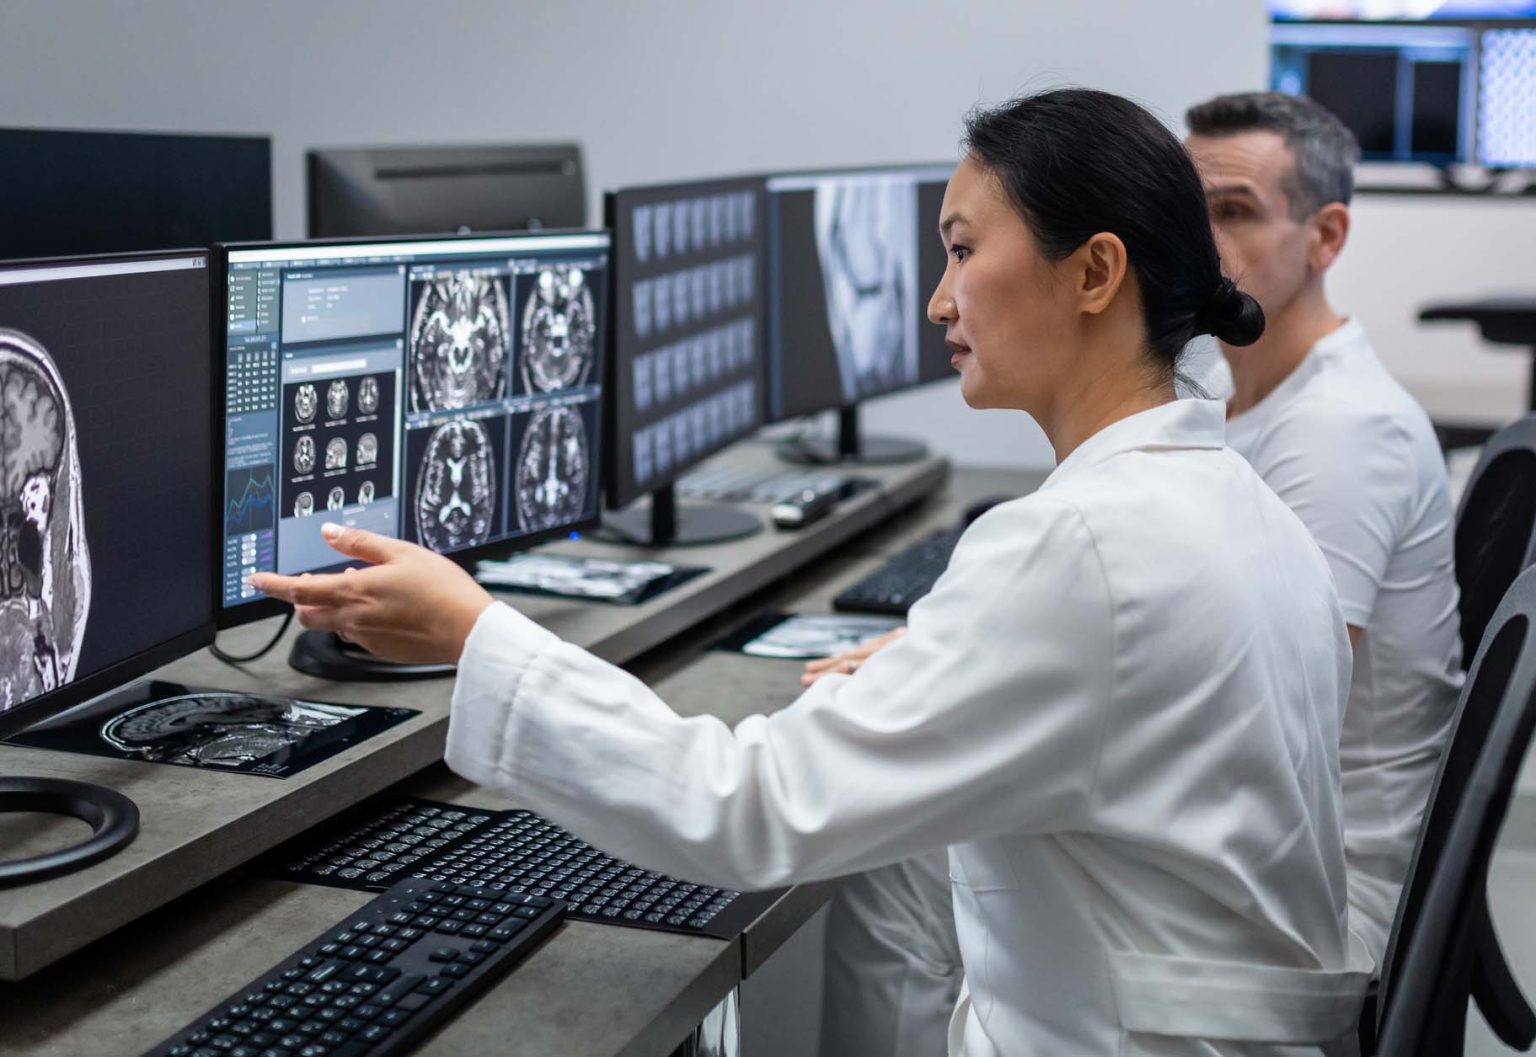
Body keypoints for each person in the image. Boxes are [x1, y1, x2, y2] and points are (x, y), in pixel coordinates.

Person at [253, 89, 1372, 1056]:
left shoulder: (1078, 548)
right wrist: (955, 663)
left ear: (1094, 273)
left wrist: (473, 631)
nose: (939, 299)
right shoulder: (1228, 499)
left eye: (964, 250)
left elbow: (740, 813)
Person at [811, 91, 1462, 1057]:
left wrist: (996, 654)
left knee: (900, 854)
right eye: (1189, 207)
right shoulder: (1233, 412)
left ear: (1326, 237)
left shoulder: (1337, 435)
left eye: (1233, 211)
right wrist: (984, 648)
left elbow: (1231, 664)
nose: (1203, 238)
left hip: (1319, 909)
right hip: (1269, 868)